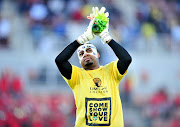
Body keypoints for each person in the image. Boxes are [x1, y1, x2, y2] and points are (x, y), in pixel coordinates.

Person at [55, 7, 132, 127]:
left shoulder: (111, 71)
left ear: (98, 55)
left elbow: (126, 59)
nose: (85, 53)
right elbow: (59, 60)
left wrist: (106, 38)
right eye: (81, 54)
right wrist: (82, 39)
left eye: (89, 50)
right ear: (80, 61)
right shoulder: (77, 76)